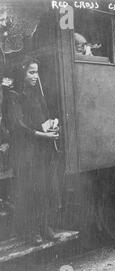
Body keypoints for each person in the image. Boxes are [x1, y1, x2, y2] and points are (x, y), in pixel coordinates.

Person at [5, 57, 59, 245]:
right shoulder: (13, 95)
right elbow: (18, 127)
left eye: (37, 72)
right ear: (22, 73)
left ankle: (43, 226)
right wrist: (43, 135)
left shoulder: (37, 94)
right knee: (28, 190)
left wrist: (51, 126)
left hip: (40, 150)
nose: (36, 76)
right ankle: (29, 231)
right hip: (24, 151)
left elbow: (43, 118)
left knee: (43, 188)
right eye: (31, 72)